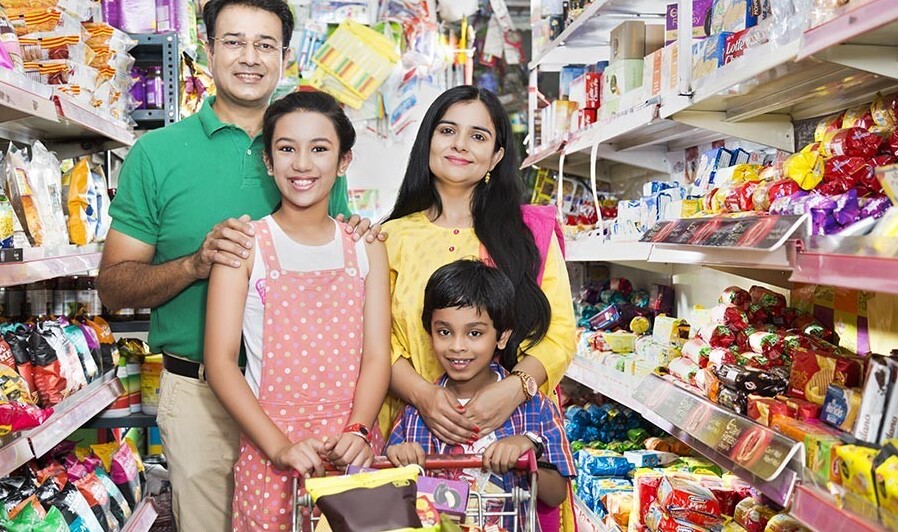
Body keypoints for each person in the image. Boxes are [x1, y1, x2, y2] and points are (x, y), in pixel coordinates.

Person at [96, 1, 380, 529]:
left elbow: (330, 253)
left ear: (284, 55)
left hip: (307, 404)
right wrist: (195, 263)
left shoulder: (307, 149)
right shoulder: (157, 153)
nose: (249, 57)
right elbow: (113, 288)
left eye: (265, 44)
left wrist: (362, 231)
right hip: (203, 394)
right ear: (207, 50)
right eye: (233, 41)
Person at [203, 90, 391, 531]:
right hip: (271, 454)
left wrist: (359, 430)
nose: (302, 164)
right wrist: (280, 447)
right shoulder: (244, 246)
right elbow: (220, 363)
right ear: (268, 161)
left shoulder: (366, 247)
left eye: (320, 149)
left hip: (353, 453)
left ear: (344, 161)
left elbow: (377, 356)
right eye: (286, 149)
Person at [386, 259, 575, 531]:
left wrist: (528, 450)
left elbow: (556, 494)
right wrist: (400, 459)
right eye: (444, 332)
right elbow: (390, 494)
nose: (458, 346)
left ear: (502, 336)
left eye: (474, 333)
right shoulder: (415, 414)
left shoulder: (535, 409)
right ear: (429, 332)